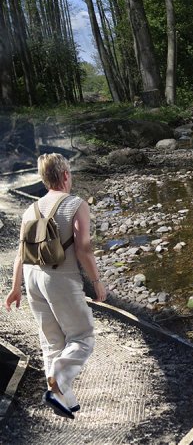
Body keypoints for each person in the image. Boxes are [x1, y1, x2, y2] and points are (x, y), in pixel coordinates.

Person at [4, 153, 107, 420]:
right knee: (82, 337)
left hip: (32, 278)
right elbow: (83, 248)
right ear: (64, 176)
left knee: (51, 343)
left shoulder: (31, 209)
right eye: (69, 173)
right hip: (60, 277)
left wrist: (16, 288)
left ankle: (64, 398)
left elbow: (20, 253)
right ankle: (58, 384)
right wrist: (96, 282)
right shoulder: (75, 204)